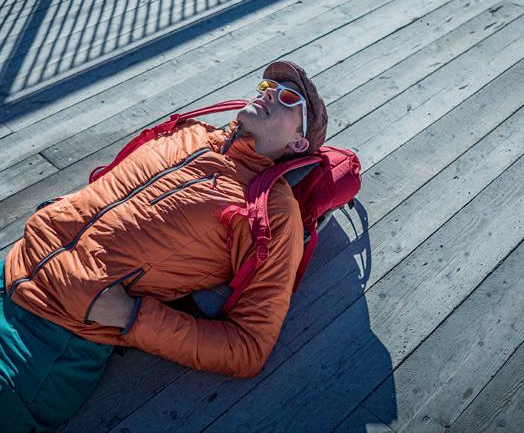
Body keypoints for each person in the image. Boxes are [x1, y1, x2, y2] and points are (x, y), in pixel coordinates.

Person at [0, 60, 328, 431]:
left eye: (288, 98)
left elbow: (249, 347)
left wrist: (132, 316)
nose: (269, 93)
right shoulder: (191, 132)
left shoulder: (272, 210)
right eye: (268, 86)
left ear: (298, 143)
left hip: (47, 340)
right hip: (14, 262)